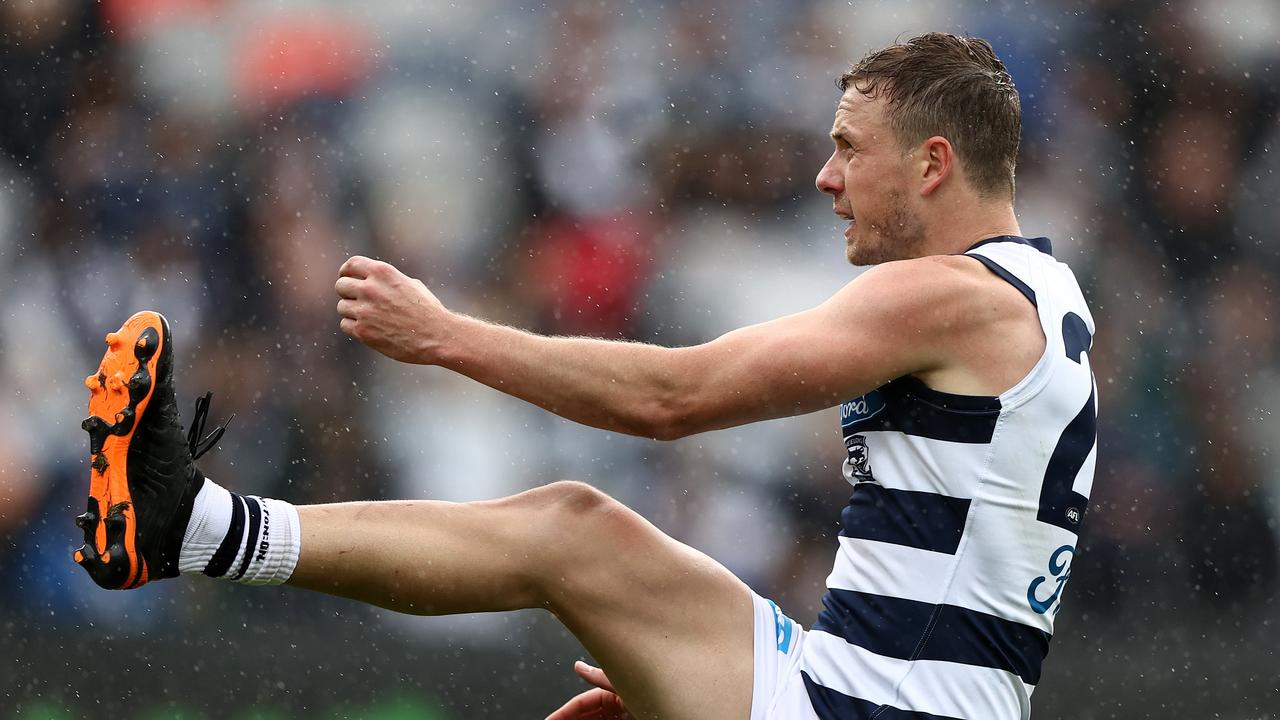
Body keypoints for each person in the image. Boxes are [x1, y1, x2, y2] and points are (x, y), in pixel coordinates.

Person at [72, 33, 1097, 720]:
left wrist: (446, 337)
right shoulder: (1045, 294)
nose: (824, 178)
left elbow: (672, 399)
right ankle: (189, 527)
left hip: (874, 707)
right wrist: (692, 680)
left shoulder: (945, 296)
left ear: (928, 165)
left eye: (846, 149)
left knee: (567, 538)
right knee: (572, 525)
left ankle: (192, 529)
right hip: (868, 688)